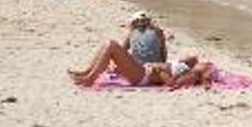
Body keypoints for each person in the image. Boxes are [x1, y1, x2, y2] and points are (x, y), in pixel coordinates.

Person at [68, 41, 207, 88]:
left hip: (143, 76)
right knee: (108, 44)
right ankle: (87, 72)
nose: (193, 58)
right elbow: (193, 58)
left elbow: (171, 83)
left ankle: (90, 78)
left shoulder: (189, 73)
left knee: (112, 46)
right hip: (143, 69)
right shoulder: (183, 65)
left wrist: (158, 71)